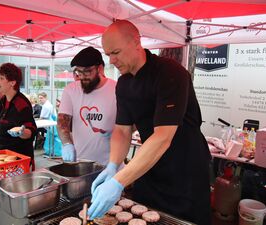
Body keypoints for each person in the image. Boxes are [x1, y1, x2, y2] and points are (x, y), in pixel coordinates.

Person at [88, 20, 211, 225]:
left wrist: (119, 182)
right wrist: (113, 164)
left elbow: (163, 137)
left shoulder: (171, 74)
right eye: (108, 54)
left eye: (115, 52)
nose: (111, 61)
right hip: (149, 167)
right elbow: (122, 129)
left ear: (137, 42)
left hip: (185, 170)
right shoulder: (125, 84)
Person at [57, 46, 116, 165]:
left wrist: (118, 131)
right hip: (81, 164)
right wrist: (67, 144)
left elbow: (131, 124)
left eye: (87, 71)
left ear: (99, 68)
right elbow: (62, 122)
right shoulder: (71, 90)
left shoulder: (117, 89)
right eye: (79, 71)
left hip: (111, 164)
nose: (82, 76)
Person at [0, 63, 37, 170]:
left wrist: (22, 132)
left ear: (12, 82)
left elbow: (31, 130)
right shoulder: (4, 99)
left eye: (1, 78)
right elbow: (1, 117)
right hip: (4, 156)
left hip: (18, 160)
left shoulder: (21, 104)